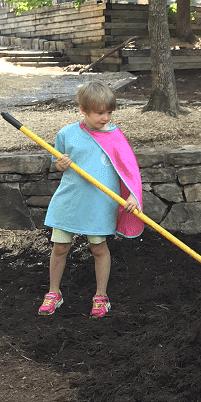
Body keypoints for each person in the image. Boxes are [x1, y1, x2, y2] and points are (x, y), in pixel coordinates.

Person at [38, 81, 143, 318]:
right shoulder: (67, 133)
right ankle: (54, 293)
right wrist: (59, 164)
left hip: (99, 204)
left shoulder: (114, 136)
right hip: (71, 201)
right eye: (99, 113)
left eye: (109, 112)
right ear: (83, 109)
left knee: (98, 248)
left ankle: (101, 296)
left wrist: (134, 196)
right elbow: (58, 163)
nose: (105, 117)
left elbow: (129, 170)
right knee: (60, 247)